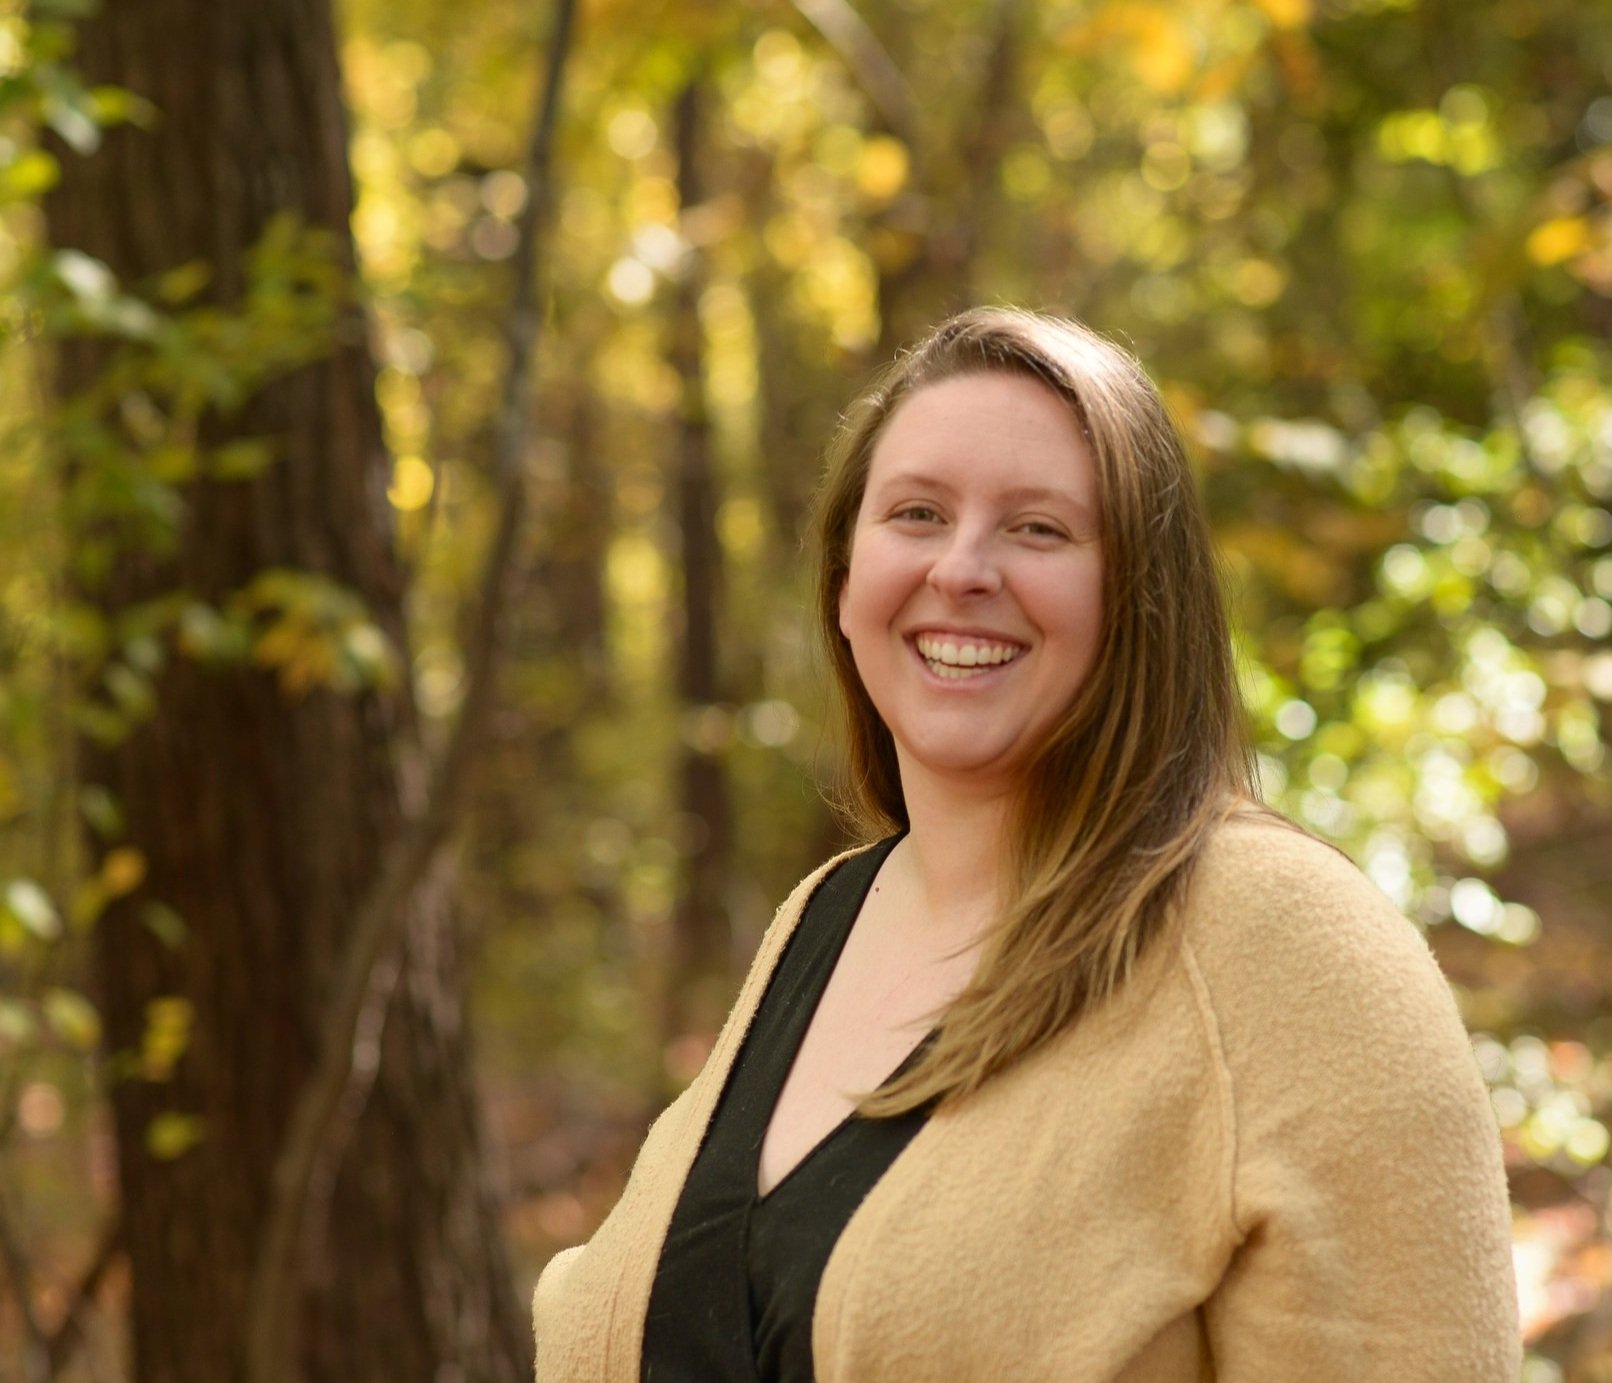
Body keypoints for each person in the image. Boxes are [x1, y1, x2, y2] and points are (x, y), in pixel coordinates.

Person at [531, 308, 1520, 1381]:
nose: (961, 568)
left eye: (1038, 529)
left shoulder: (1288, 948)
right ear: (843, 577)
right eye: (915, 513)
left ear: (1140, 601)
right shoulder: (821, 919)